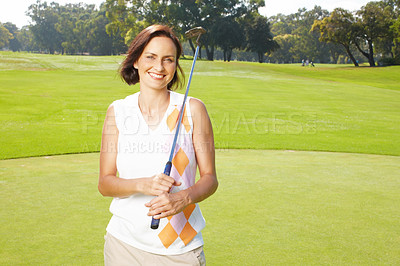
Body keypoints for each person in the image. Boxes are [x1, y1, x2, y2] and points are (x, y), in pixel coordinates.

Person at [98, 24, 218, 265]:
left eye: (168, 59)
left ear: (175, 65)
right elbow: (105, 183)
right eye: (150, 57)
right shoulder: (118, 111)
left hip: (179, 249)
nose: (159, 67)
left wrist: (183, 197)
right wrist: (144, 184)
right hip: (123, 244)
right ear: (136, 61)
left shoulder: (193, 109)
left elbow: (209, 179)